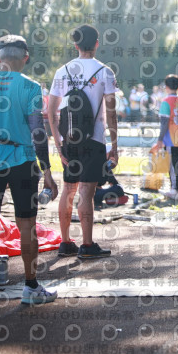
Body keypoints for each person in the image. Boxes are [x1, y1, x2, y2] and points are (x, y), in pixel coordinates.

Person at [0, 35, 59, 305]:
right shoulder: (30, 86)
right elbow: (38, 132)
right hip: (22, 160)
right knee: (27, 226)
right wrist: (47, 171)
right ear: (26, 58)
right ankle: (31, 286)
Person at [49, 24, 118, 259]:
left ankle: (65, 242)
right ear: (97, 43)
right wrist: (114, 146)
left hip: (69, 139)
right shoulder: (105, 72)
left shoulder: (62, 71)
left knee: (68, 190)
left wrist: (59, 145)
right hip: (94, 139)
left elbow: (51, 111)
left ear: (76, 45)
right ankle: (87, 246)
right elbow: (111, 113)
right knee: (86, 192)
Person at [155, 74, 178, 200]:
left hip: (171, 137)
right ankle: (175, 189)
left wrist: (160, 139)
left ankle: (174, 190)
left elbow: (164, 122)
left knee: (172, 164)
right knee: (177, 162)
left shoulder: (166, 102)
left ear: (166, 87)